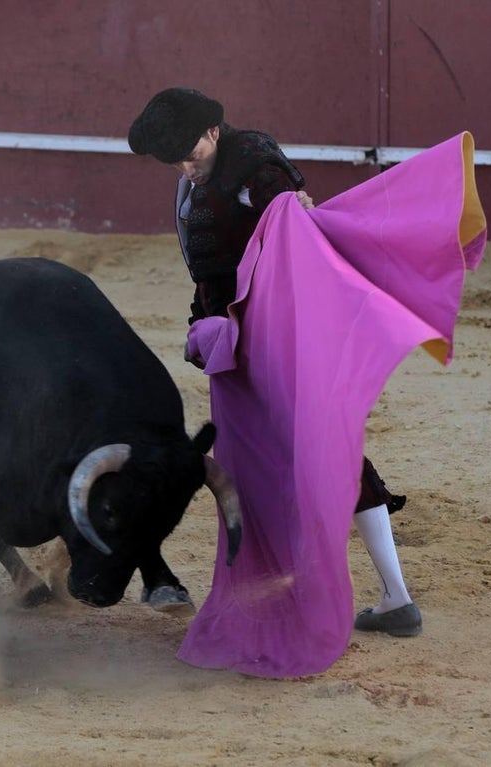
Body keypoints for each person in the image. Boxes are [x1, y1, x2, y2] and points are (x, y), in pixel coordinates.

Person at [127, 86, 421, 637]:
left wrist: (293, 215)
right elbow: (208, 269)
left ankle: (392, 596)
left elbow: (297, 232)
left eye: (191, 154)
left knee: (320, 448)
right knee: (265, 458)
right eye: (175, 160)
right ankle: (335, 591)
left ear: (214, 131)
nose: (186, 168)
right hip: (237, 341)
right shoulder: (193, 180)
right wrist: (203, 321)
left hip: (282, 333)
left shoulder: (256, 162)